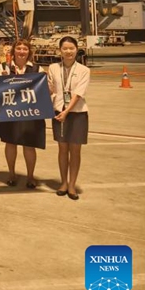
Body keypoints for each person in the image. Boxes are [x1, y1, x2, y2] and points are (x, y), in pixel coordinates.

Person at [0, 39, 46, 189]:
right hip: (9, 113)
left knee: (29, 145)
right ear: (13, 51)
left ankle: (30, 176)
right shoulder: (3, 68)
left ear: (29, 52)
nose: (22, 51)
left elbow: (43, 90)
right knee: (10, 143)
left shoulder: (38, 69)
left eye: (25, 49)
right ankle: (11, 173)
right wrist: (3, 79)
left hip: (30, 113)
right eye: (19, 48)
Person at [47, 36, 90, 201]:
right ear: (60, 51)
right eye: (65, 48)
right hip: (58, 111)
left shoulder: (84, 70)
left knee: (75, 150)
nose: (68, 51)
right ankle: (63, 182)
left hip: (77, 113)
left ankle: (72, 184)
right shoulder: (53, 68)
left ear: (77, 49)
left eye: (71, 48)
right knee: (62, 149)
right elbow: (52, 89)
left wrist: (67, 111)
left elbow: (78, 94)